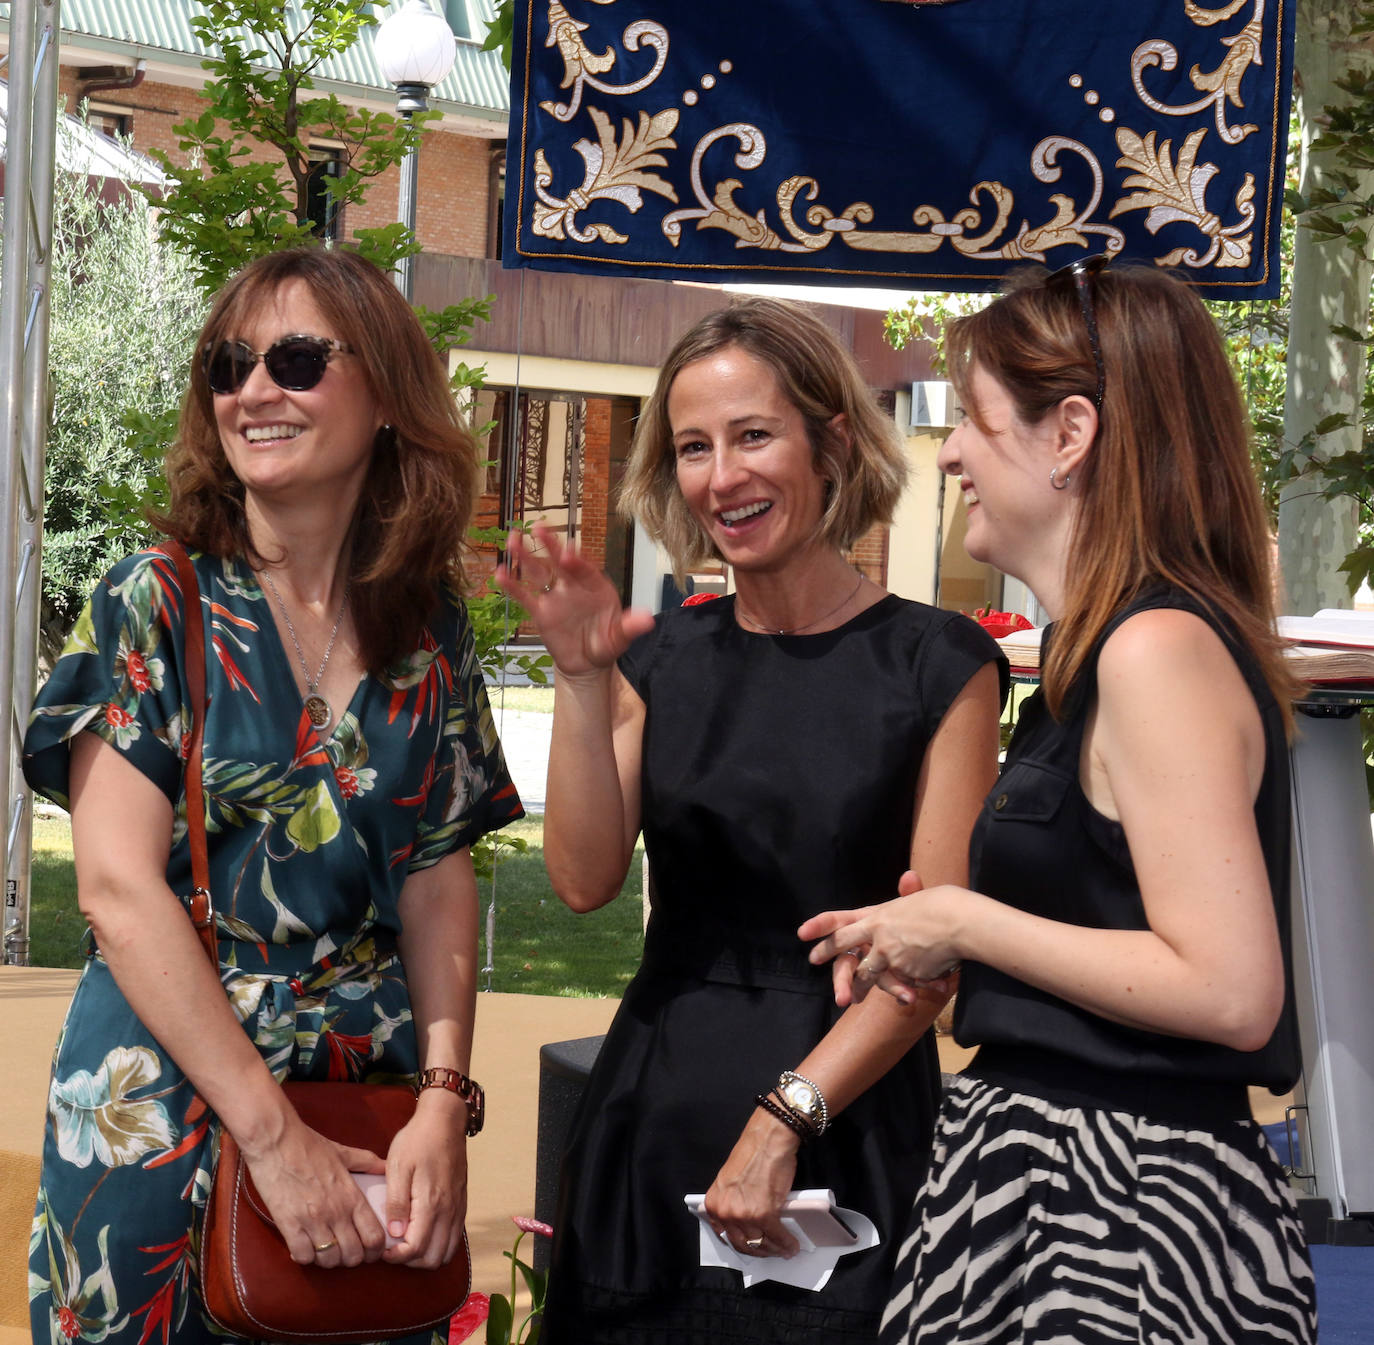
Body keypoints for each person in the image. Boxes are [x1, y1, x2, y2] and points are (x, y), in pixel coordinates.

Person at [802, 261, 1319, 1344]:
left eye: (973, 421)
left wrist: (963, 920)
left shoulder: (1155, 650)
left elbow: (1231, 992)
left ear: (1070, 434)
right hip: (1059, 1186)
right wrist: (942, 943)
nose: (946, 455)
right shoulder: (1107, 654)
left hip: (1120, 1210)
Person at [23, 246, 522, 1345]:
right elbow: (113, 890)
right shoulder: (151, 600)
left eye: (296, 359)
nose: (255, 388)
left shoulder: (426, 628)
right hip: (161, 1095)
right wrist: (272, 1137)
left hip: (372, 1104)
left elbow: (440, 875)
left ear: (387, 392)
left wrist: (445, 1096)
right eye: (229, 363)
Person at [496, 296, 1007, 1344]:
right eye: (693, 447)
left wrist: (787, 1118)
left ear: (829, 438)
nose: (722, 476)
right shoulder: (659, 657)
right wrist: (584, 682)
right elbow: (584, 880)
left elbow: (937, 959)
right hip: (651, 1123)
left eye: (752, 435)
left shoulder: (940, 666)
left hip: (843, 1132)